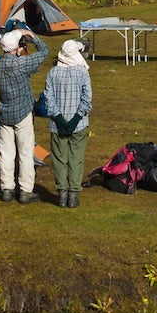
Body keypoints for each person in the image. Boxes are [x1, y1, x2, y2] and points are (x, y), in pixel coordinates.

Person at [0, 28, 48, 203]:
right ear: (17, 47)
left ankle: (7, 189)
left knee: (6, 153)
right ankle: (25, 190)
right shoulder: (21, 63)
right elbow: (44, 51)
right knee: (25, 152)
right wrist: (32, 36)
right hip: (22, 112)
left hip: (5, 113)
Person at [42, 38, 92, 208]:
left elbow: (49, 99)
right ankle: (73, 195)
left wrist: (59, 119)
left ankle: (62, 194)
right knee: (76, 159)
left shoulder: (52, 73)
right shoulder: (82, 72)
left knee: (59, 159)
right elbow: (87, 100)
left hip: (57, 125)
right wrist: (75, 119)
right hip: (78, 124)